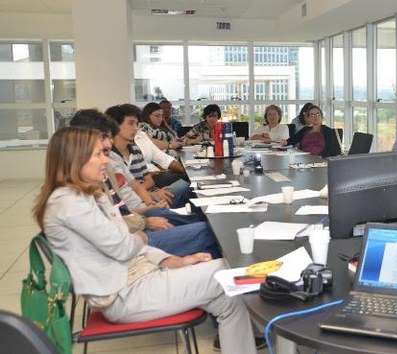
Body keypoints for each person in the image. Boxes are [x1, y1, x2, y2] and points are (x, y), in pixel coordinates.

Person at [32, 127, 256, 354]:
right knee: (230, 271)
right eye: (98, 154)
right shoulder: (70, 204)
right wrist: (140, 236)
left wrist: (171, 260)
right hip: (124, 294)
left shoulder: (87, 195)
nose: (105, 161)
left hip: (136, 278)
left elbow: (127, 243)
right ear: (75, 159)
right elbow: (123, 247)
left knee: (230, 300)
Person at [70, 109, 220, 258]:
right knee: (211, 231)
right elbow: (113, 231)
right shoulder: (76, 194)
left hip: (139, 222)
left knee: (209, 240)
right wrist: (146, 220)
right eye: (106, 137)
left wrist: (148, 205)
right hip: (135, 239)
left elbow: (124, 206)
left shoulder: (107, 166)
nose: (110, 142)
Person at [105, 104, 191, 209]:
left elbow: (149, 180)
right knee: (186, 188)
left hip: (149, 195)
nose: (135, 128)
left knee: (187, 186)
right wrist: (151, 196)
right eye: (131, 123)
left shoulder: (135, 150)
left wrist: (149, 194)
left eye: (137, 124)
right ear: (115, 125)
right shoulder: (109, 156)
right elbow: (125, 193)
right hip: (137, 202)